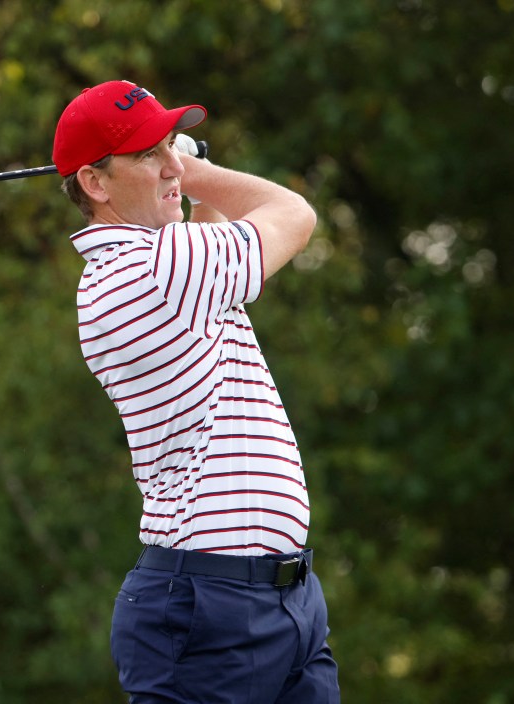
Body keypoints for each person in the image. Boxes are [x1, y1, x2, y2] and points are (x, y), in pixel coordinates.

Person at [52, 80, 340, 704]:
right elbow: (295, 213)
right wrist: (200, 170)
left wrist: (176, 180)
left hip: (278, 600)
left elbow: (211, 237)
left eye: (170, 146)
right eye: (149, 154)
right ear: (96, 184)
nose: (171, 165)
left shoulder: (162, 266)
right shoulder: (158, 270)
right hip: (213, 609)